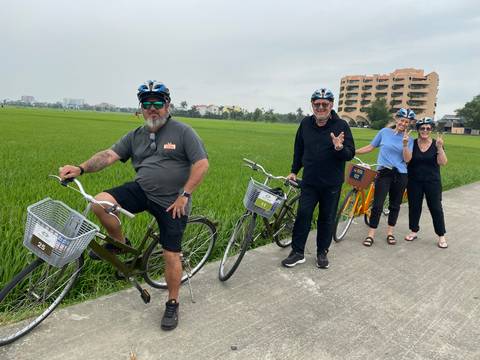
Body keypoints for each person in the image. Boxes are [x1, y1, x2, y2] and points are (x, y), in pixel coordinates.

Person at [59, 80, 209, 331]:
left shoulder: (183, 132)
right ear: (140, 108)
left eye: (158, 103)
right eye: (147, 104)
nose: (153, 108)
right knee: (100, 202)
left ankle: (173, 302)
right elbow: (108, 155)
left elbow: (201, 164)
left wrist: (185, 195)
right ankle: (121, 245)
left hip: (173, 201)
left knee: (171, 253)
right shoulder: (136, 135)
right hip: (142, 190)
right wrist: (81, 168)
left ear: (168, 105)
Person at [281, 88, 355, 269]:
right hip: (310, 181)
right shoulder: (305, 124)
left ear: (331, 105)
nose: (320, 107)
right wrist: (294, 171)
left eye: (325, 104)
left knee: (326, 218)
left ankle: (322, 252)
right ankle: (297, 252)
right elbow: (299, 149)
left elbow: (350, 153)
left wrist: (339, 148)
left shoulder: (341, 126)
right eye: (317, 104)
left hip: (331, 184)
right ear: (312, 105)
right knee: (303, 215)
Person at [356, 108, 415, 247]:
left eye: (407, 122)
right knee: (377, 204)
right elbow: (371, 147)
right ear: (396, 119)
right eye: (402, 120)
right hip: (383, 173)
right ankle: (371, 234)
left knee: (395, 205)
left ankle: (390, 233)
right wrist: (353, 151)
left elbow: (407, 160)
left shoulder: (409, 139)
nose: (404, 123)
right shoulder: (384, 132)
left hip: (400, 174)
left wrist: (405, 145)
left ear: (409, 123)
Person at [404, 117, 448, 248]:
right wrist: (405, 145)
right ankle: (413, 230)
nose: (425, 130)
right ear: (418, 129)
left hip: (432, 182)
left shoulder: (436, 144)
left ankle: (441, 235)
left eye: (428, 128)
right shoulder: (412, 143)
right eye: (422, 128)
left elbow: (443, 162)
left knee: (436, 208)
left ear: (431, 130)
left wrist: (440, 147)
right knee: (414, 207)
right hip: (414, 181)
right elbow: (406, 160)